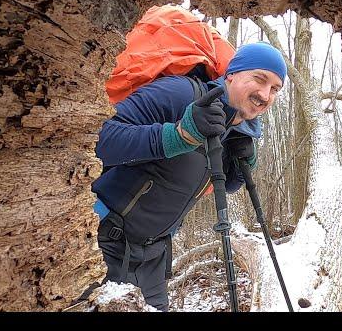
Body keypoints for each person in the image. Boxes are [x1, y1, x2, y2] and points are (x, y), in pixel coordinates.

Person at [90, 41, 287, 311]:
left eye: (275, 89)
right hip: (102, 246)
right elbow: (97, 139)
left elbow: (227, 185)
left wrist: (246, 162)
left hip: (155, 259)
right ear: (232, 74)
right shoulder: (179, 93)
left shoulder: (234, 129)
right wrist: (178, 136)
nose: (266, 95)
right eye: (259, 79)